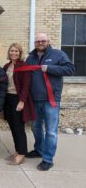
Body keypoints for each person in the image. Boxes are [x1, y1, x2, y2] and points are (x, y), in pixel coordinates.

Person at [26, 33, 75, 171]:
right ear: (35, 43)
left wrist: (50, 68)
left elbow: (70, 69)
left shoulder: (58, 55)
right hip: (35, 100)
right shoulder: (31, 58)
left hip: (51, 100)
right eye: (38, 41)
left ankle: (48, 159)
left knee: (51, 131)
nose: (40, 43)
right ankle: (39, 149)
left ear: (48, 41)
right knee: (35, 128)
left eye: (43, 40)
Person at [3, 43, 36, 165]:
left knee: (19, 128)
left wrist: (22, 101)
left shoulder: (24, 66)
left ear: (20, 53)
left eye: (16, 51)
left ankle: (22, 153)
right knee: (12, 126)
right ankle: (18, 151)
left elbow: (26, 85)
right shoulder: (6, 66)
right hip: (8, 99)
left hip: (18, 99)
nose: (14, 53)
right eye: (12, 51)